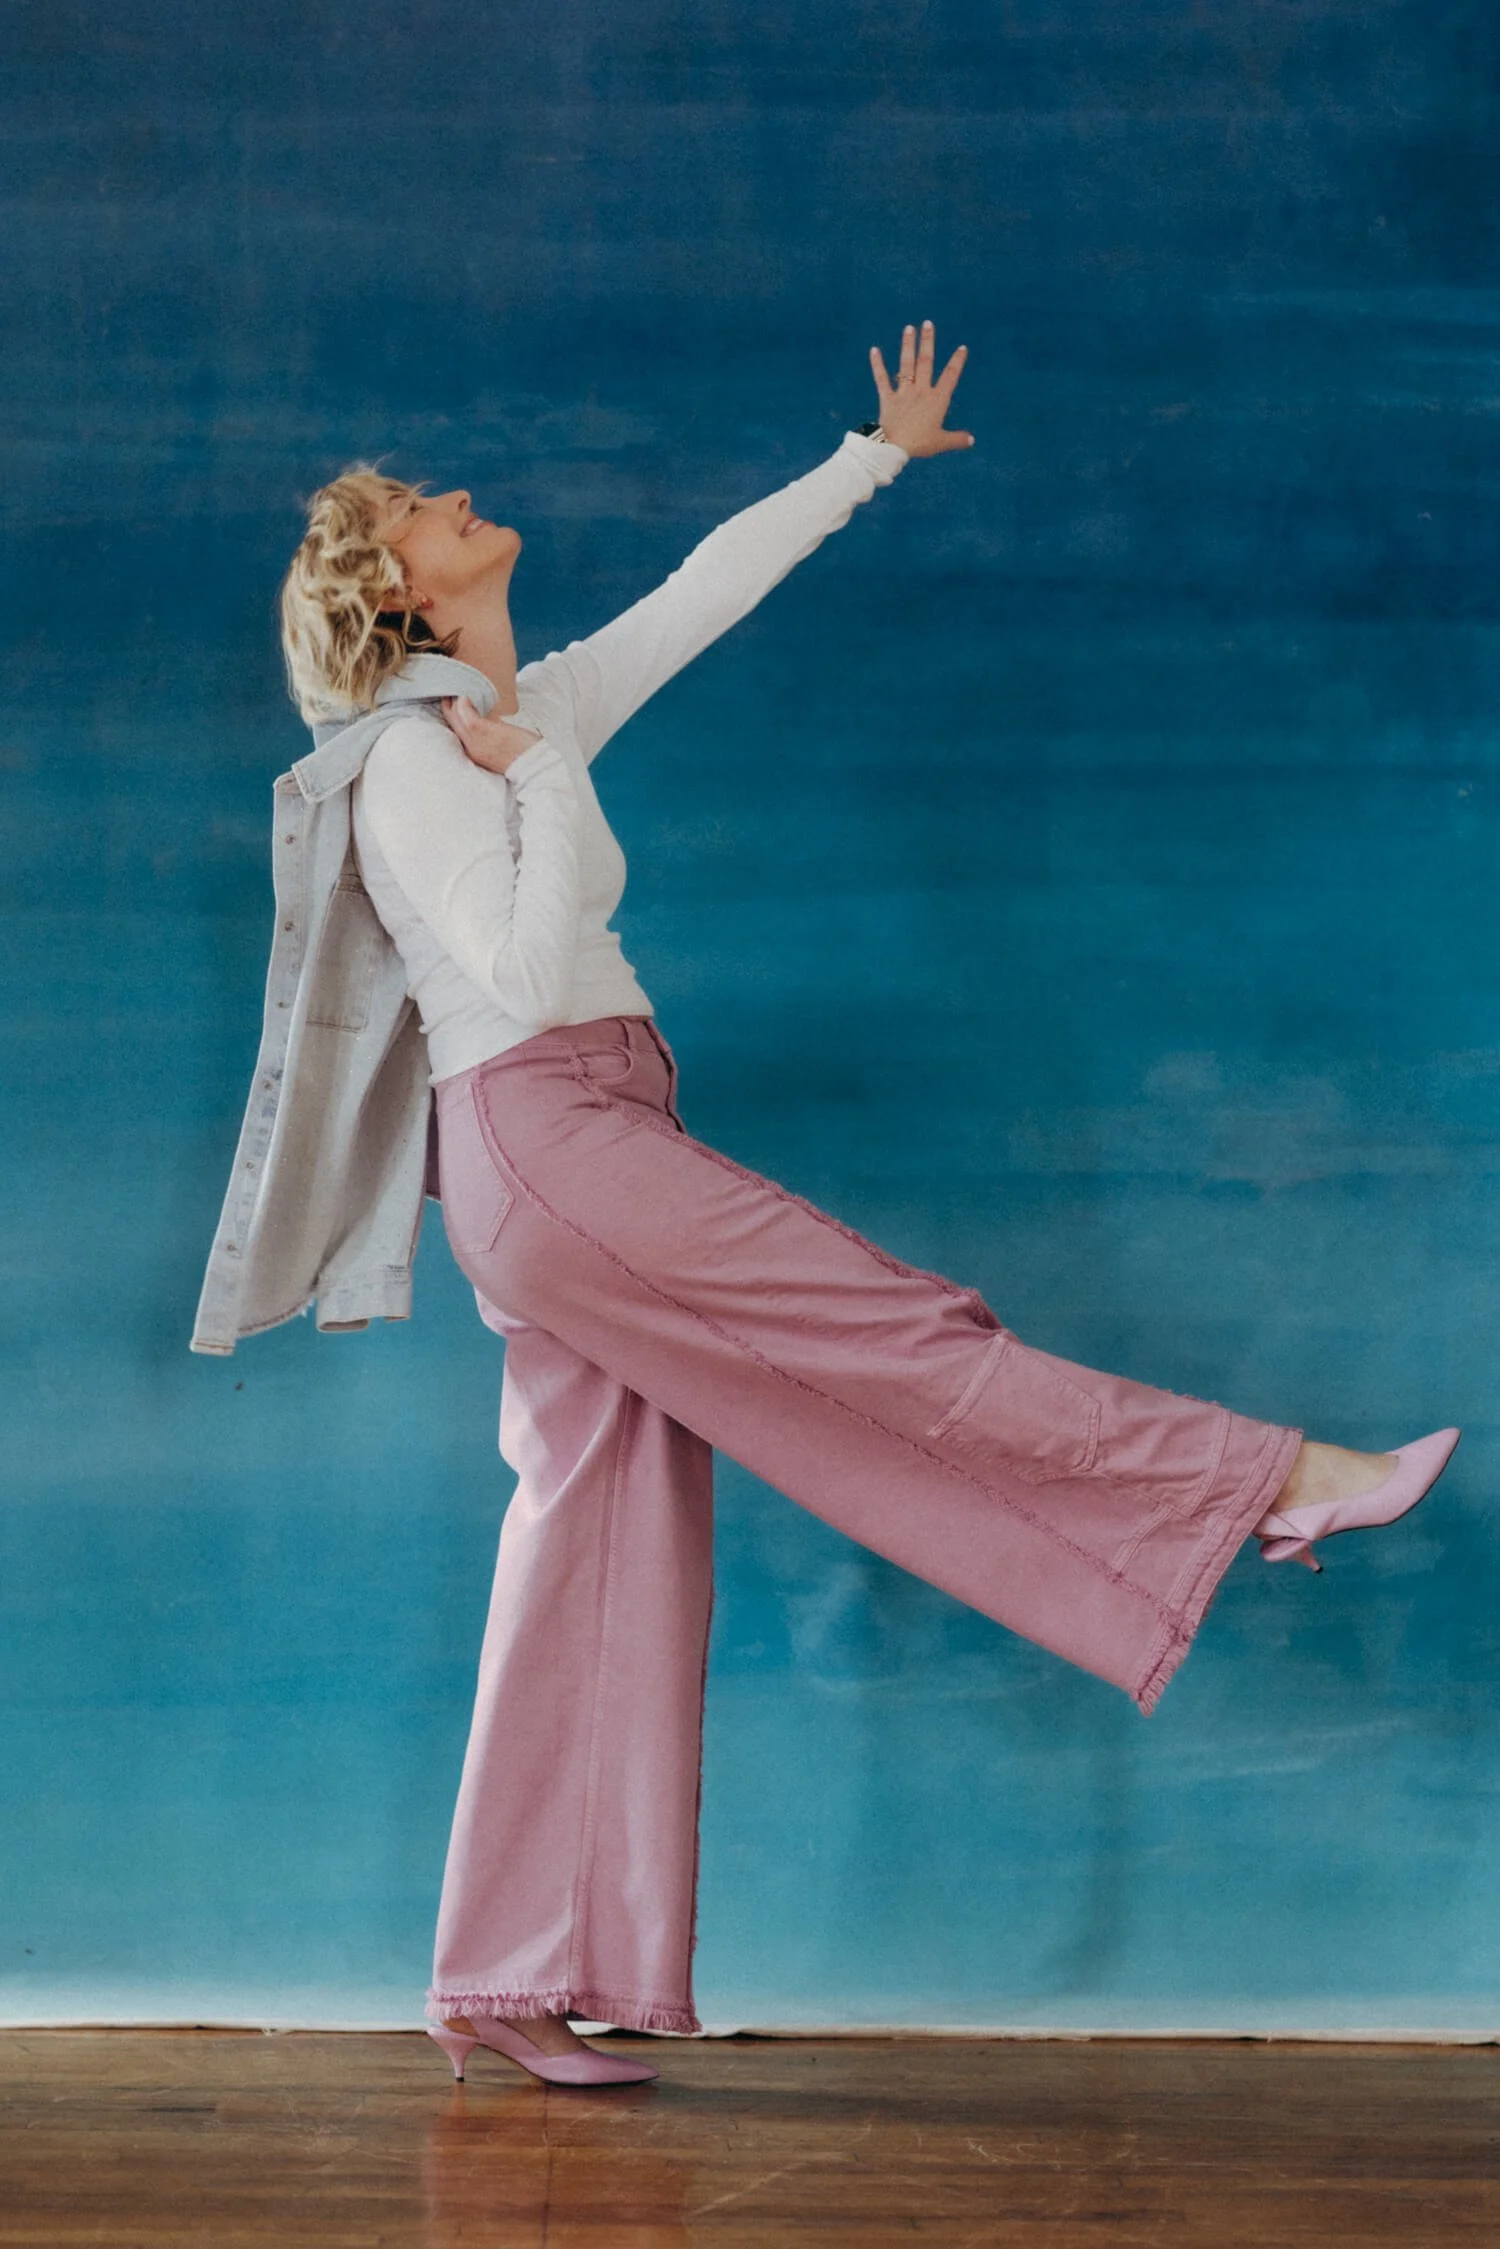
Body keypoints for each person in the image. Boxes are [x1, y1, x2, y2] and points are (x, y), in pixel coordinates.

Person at [214, 319, 1458, 2088]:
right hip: (545, 1140)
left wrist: (865, 464)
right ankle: (1275, 1477)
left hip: (576, 1138)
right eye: (422, 505)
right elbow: (503, 959)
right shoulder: (429, 760)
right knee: (900, 1338)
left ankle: (498, 1979)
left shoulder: (518, 711)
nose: (457, 493)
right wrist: (539, 780)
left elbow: (702, 594)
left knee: (598, 1544)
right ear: (396, 595)